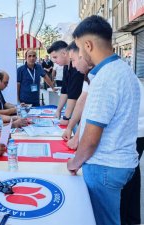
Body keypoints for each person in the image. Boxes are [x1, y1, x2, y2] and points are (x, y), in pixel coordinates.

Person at [67, 15, 140, 225]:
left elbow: (91, 138)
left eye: (80, 50)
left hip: (104, 167)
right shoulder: (125, 71)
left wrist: (75, 162)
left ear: (88, 45)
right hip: (122, 163)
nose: (80, 55)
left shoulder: (105, 78)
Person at [120, 78, 144, 225]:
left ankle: (126, 219)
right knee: (133, 172)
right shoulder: (125, 72)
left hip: (133, 131)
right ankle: (132, 219)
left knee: (126, 176)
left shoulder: (109, 72)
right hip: (137, 130)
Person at [61, 41, 93, 149]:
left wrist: (77, 137)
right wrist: (70, 127)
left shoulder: (101, 74)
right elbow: (82, 101)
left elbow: (93, 115)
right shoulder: (90, 74)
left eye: (73, 60)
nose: (73, 65)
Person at [47, 41, 84, 125]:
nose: (54, 61)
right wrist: (58, 110)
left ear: (64, 53)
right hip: (75, 110)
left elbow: (73, 96)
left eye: (55, 57)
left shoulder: (76, 67)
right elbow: (64, 91)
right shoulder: (66, 66)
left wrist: (66, 118)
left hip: (81, 110)